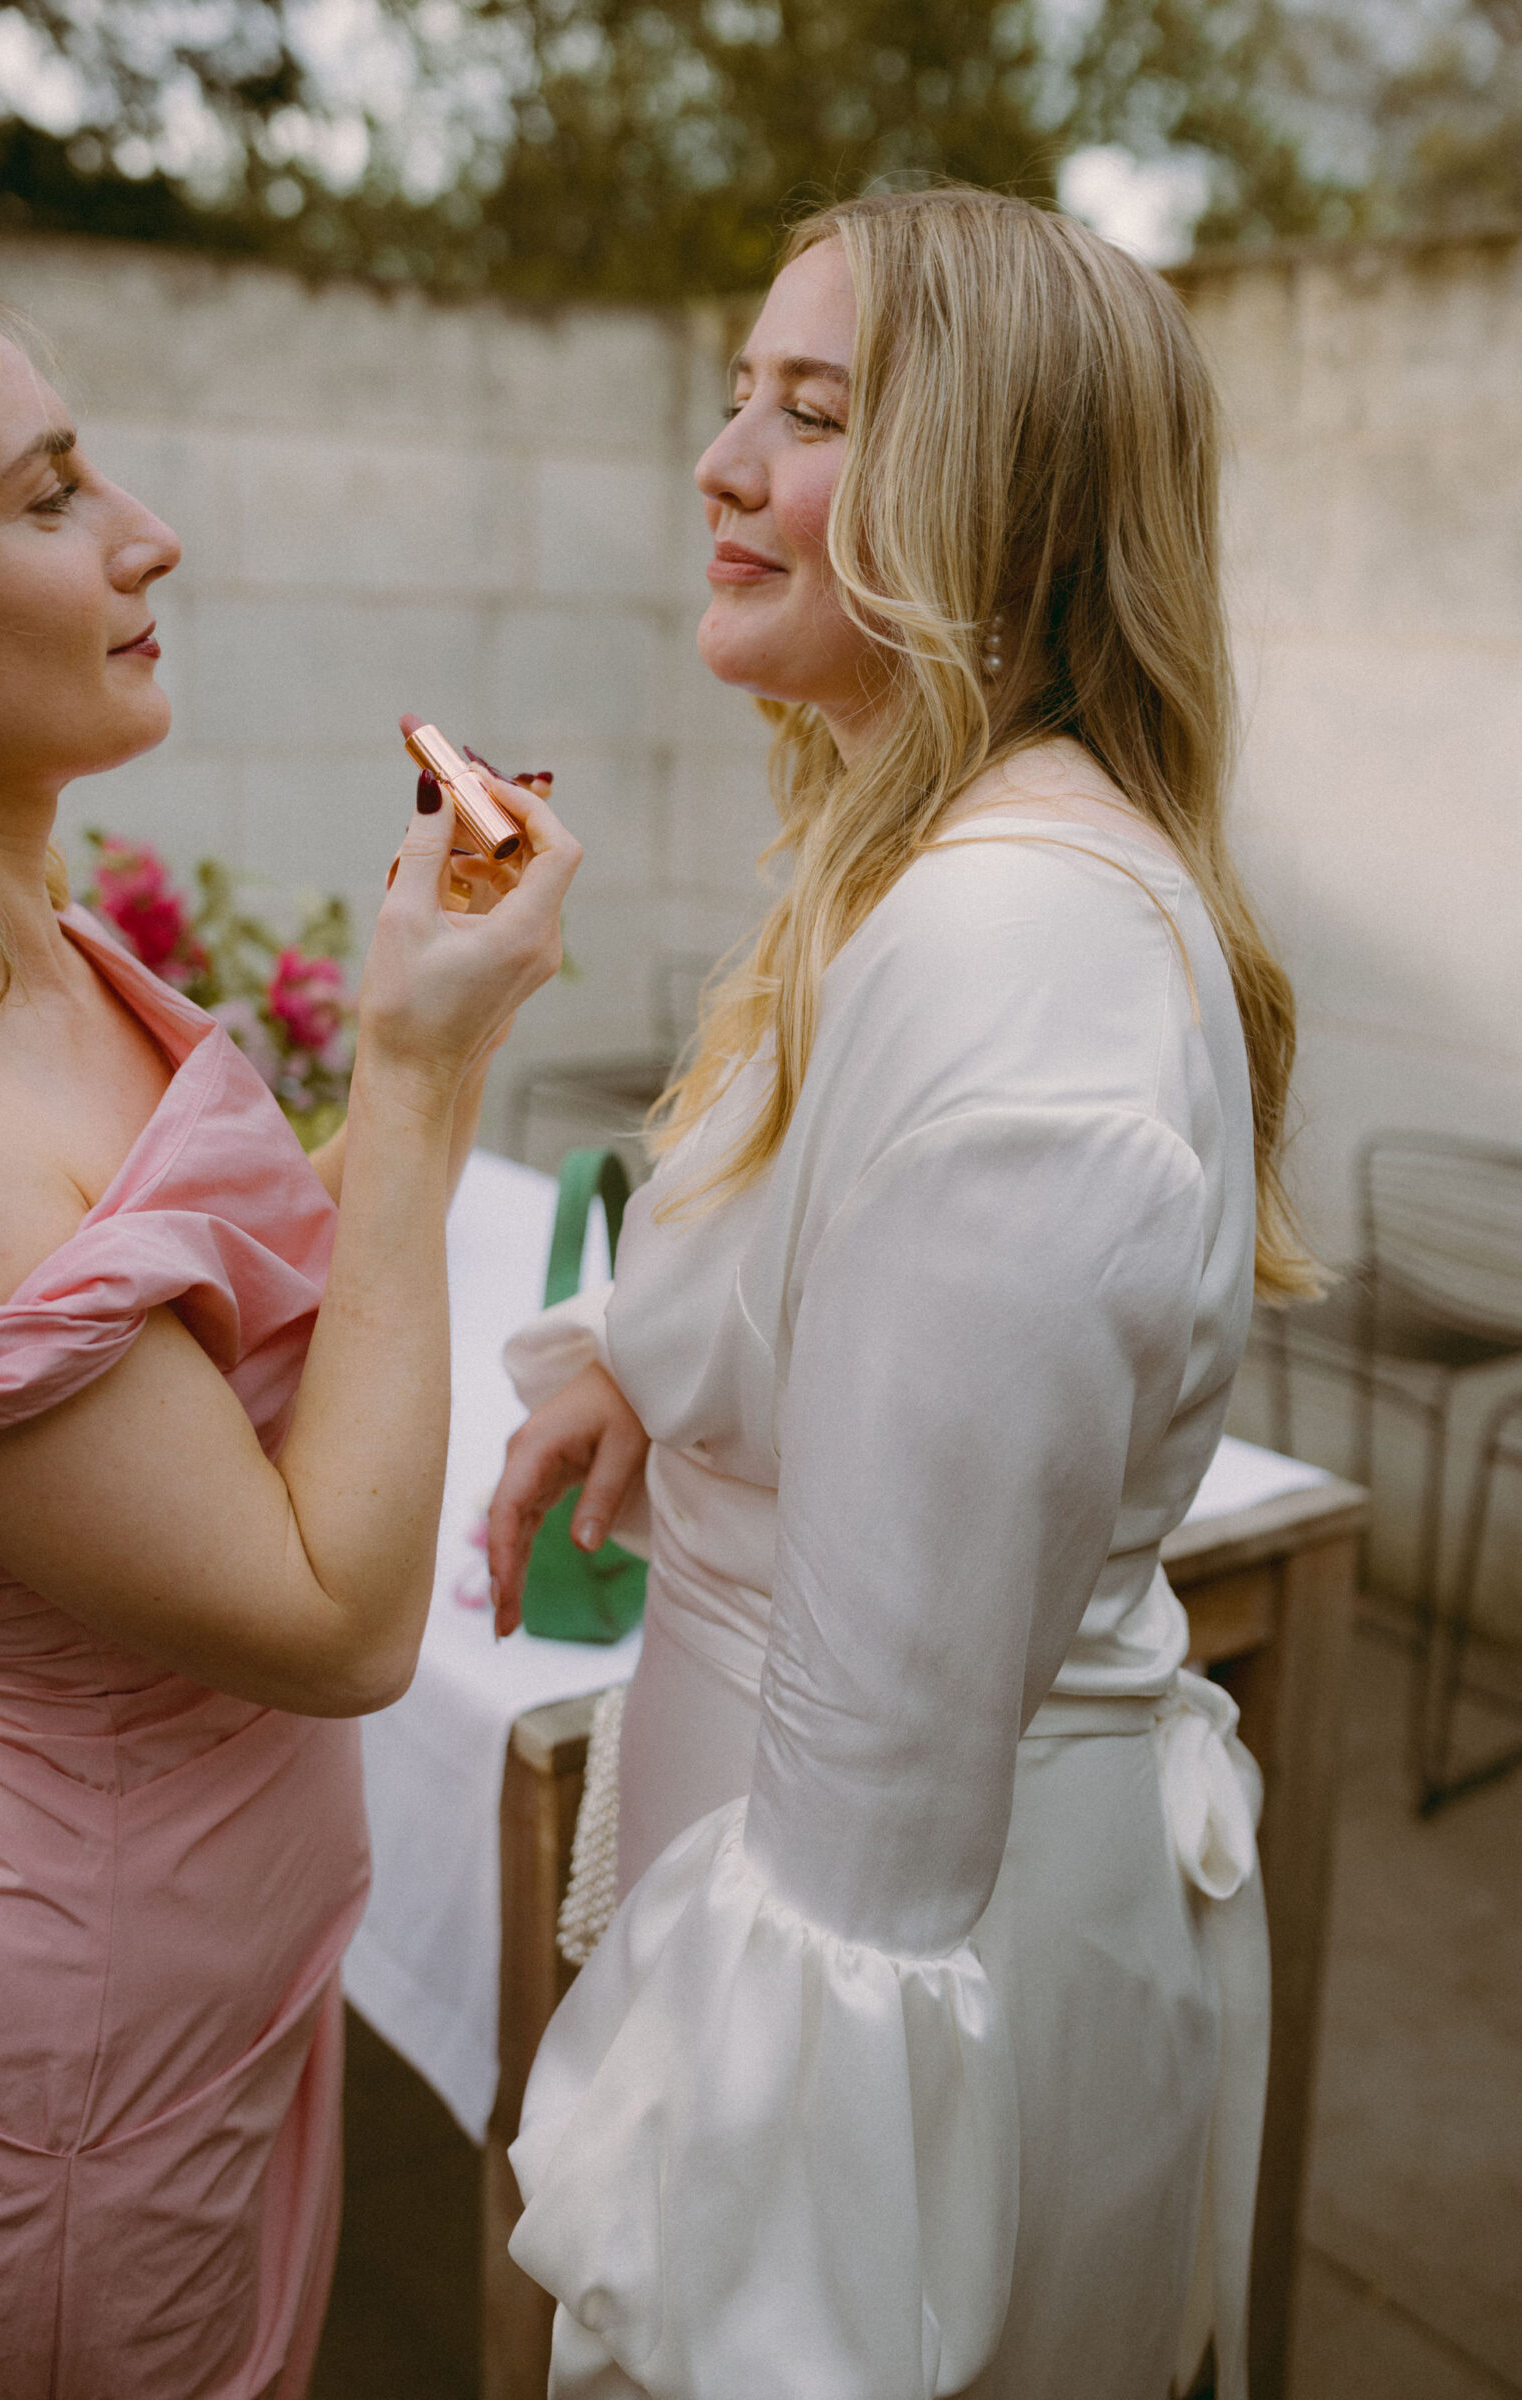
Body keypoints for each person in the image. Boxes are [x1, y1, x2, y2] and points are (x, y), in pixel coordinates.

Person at [486, 187, 1315, 2400]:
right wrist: (651, 1380)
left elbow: (866, 1857)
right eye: (736, 396)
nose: (720, 463)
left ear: (1006, 503)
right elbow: (840, 1284)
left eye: (814, 412)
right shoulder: (913, 857)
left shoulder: (1003, 947)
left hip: (892, 2056)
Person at [0, 290, 578, 2399]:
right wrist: (418, 1065)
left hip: (205, 2003)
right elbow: (332, 1620)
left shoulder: (39, 951)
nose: (151, 533)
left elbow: (225, 1306)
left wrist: (433, 1007)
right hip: (72, 2082)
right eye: (50, 496)